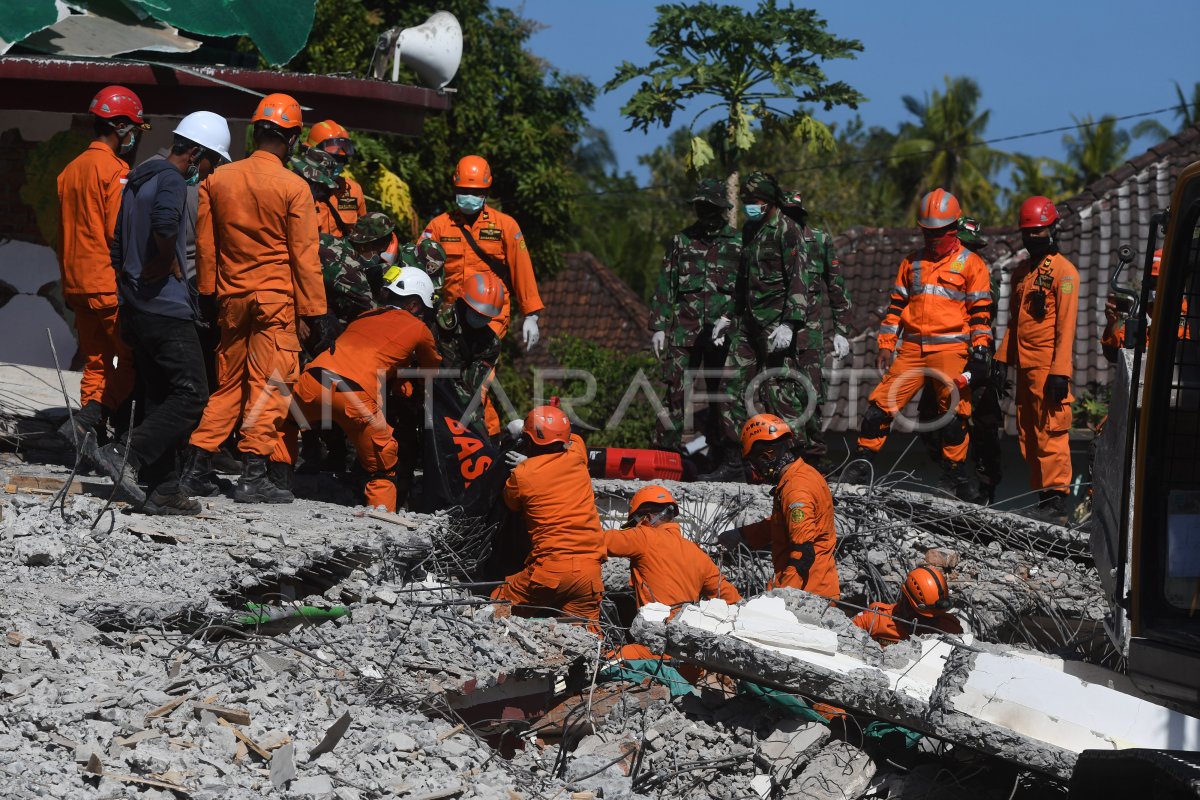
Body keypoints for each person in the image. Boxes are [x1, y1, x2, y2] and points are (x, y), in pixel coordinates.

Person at [178, 93, 333, 504]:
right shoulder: (294, 187)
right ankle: (252, 475)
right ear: (293, 139)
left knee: (228, 385)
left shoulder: (218, 180)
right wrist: (317, 312)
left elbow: (205, 246)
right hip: (275, 303)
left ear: (256, 132)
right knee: (271, 385)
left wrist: (208, 295)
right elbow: (304, 257)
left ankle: (196, 466)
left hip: (230, 298)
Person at [94, 111, 232, 514]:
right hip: (165, 308)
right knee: (193, 394)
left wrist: (130, 285)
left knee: (161, 396)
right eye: (210, 163)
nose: (207, 174)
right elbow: (166, 222)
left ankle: (164, 490)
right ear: (195, 154)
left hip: (137, 305)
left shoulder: (140, 176)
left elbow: (117, 244)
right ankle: (126, 453)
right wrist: (163, 264)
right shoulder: (171, 179)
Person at [842, 189, 993, 499]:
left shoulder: (971, 264)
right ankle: (860, 464)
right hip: (911, 349)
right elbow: (896, 307)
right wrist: (886, 343)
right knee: (880, 406)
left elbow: (980, 312)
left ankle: (954, 476)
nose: (932, 237)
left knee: (953, 414)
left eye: (938, 232)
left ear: (954, 228)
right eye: (927, 231)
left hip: (951, 349)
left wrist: (980, 345)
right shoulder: (912, 263)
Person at [284, 268, 441, 511]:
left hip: (312, 381)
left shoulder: (365, 316)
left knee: (288, 425)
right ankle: (382, 525)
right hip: (354, 395)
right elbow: (430, 371)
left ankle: (276, 487)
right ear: (413, 304)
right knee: (383, 466)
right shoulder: (419, 329)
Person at [56, 85, 150, 452]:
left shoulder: (70, 171)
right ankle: (93, 415)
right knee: (131, 359)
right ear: (121, 126)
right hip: (107, 285)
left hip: (75, 284)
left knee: (95, 360)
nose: (133, 137)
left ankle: (87, 434)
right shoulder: (115, 171)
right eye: (135, 129)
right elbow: (119, 233)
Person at [994, 196, 1079, 525]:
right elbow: (1015, 323)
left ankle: (1057, 501)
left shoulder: (1064, 272)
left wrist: (1061, 373)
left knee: (1051, 432)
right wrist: (1002, 360)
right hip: (1025, 369)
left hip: (1048, 368)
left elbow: (1066, 328)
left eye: (1039, 232)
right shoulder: (1021, 273)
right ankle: (1044, 499)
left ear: (1054, 230)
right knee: (1029, 433)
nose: (1033, 239)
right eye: (1028, 233)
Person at [720, 172, 813, 464]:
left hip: (776, 323)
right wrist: (728, 315)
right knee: (730, 386)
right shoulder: (749, 231)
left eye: (755, 201)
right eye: (746, 201)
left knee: (778, 391)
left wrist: (790, 323)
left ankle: (794, 458)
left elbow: (799, 279)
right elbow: (742, 279)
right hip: (747, 323)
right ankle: (736, 459)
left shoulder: (787, 230)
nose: (750, 206)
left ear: (770, 201)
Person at [648, 178, 741, 457]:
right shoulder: (682, 241)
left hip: (722, 332)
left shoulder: (739, 243)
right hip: (684, 331)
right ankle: (665, 451)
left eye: (710, 208)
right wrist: (658, 327)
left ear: (722, 209)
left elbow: (747, 289)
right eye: (700, 208)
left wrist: (735, 323)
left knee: (721, 393)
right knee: (676, 389)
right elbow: (667, 284)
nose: (705, 214)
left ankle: (723, 452)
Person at [491, 404, 606, 628]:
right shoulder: (577, 456)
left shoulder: (522, 476)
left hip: (550, 571)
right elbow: (575, 440)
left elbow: (510, 503)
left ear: (529, 441)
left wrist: (528, 464)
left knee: (497, 603)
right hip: (590, 575)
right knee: (587, 638)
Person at [421, 155, 544, 348]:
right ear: (455, 188)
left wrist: (532, 315)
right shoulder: (439, 226)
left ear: (486, 192)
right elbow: (418, 265)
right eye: (464, 190)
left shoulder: (506, 226)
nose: (469, 196)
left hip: (491, 315)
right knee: (449, 372)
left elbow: (522, 269)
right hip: (451, 314)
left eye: (475, 191)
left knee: (482, 369)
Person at [717, 414, 839, 599]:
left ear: (767, 456)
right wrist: (742, 535)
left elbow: (803, 553)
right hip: (812, 589)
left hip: (808, 597)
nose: (755, 470)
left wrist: (782, 598)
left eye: (754, 462)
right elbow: (782, 523)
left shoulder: (796, 488)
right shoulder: (803, 475)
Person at [780, 188, 852, 468]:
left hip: (809, 331)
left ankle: (814, 455)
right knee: (777, 390)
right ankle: (788, 452)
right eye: (786, 215)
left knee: (810, 392)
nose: (790, 221)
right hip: (776, 331)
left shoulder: (818, 240)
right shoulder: (770, 242)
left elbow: (836, 287)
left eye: (795, 215)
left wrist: (842, 330)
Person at [607, 485, 742, 612]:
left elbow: (594, 541)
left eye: (635, 523)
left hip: (654, 632)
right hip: (684, 630)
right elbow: (731, 598)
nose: (635, 528)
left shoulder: (643, 537)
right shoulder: (698, 553)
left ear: (647, 517)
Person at [434, 270, 505, 436]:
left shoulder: (490, 343)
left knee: (476, 430)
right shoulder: (437, 320)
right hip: (420, 383)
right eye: (476, 313)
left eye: (485, 317)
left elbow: (470, 387)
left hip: (454, 391)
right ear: (464, 303)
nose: (479, 319)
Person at [319, 211, 398, 330]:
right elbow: (371, 308)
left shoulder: (330, 240)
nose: (380, 255)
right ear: (363, 246)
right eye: (379, 249)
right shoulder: (347, 267)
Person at [853, 566, 963, 645]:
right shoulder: (874, 619)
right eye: (923, 617)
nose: (928, 622)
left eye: (935, 617)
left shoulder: (950, 628)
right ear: (906, 601)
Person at [304, 119, 367, 237]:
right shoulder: (295, 186)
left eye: (341, 159)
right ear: (313, 153)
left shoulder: (352, 190)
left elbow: (363, 237)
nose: (336, 164)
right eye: (332, 158)